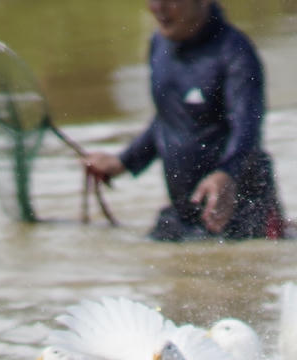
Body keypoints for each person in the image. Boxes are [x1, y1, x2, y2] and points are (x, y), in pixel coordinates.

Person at [84, 0, 285, 242]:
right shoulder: (159, 45)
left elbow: (248, 129)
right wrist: (123, 162)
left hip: (243, 211)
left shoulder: (235, 53)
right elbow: (168, 119)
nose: (157, 7)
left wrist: (226, 173)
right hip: (184, 213)